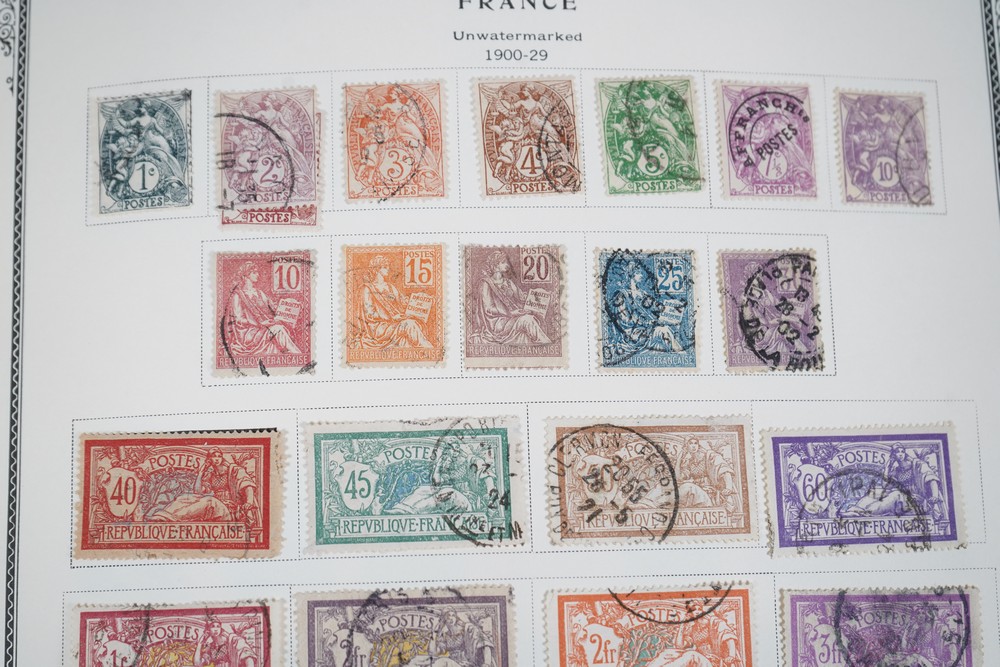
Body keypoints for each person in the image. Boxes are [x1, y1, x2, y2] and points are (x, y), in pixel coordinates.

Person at [145, 447, 258, 525]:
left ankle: (171, 519)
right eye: (214, 456)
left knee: (210, 501)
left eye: (219, 456)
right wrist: (200, 473)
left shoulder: (233, 470)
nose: (217, 458)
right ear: (209, 459)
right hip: (216, 508)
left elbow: (247, 485)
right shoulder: (211, 475)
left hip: (229, 510)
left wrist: (249, 502)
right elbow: (197, 492)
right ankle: (161, 516)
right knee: (184, 497)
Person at [224, 261, 302, 359]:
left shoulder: (260, 293)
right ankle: (298, 355)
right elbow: (238, 320)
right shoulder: (238, 296)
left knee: (281, 328)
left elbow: (274, 309)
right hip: (248, 332)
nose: (258, 275)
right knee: (278, 329)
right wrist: (260, 323)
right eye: (254, 272)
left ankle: (296, 355)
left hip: (264, 327)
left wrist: (290, 306)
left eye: (257, 272)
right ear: (246, 275)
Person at [471, 251, 551, 347]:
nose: (507, 265)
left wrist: (539, 295)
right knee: (527, 320)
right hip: (498, 323)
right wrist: (510, 313)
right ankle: (546, 345)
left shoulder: (508, 282)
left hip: (512, 318)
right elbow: (488, 309)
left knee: (532, 318)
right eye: (503, 262)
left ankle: (544, 344)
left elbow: (522, 297)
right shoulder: (486, 284)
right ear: (495, 265)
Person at [353, 255, 433, 350]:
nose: (388, 269)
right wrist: (391, 317)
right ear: (377, 269)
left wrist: (421, 299)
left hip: (393, 323)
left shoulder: (390, 287)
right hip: (378, 328)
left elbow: (404, 302)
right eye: (385, 267)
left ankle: (427, 349)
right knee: (409, 324)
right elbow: (369, 314)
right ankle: (428, 349)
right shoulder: (367, 288)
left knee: (413, 323)